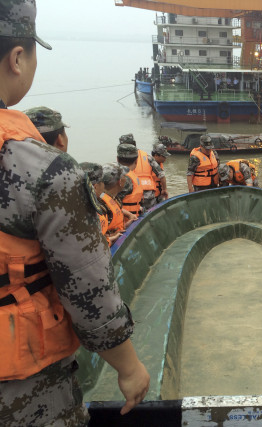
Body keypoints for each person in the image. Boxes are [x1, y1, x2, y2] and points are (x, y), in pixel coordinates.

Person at [0, 2, 149, 425]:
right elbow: (88, 290)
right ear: (17, 58)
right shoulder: (42, 170)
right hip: (22, 392)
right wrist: (128, 367)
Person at [119, 133, 166, 211]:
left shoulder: (122, 159)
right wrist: (165, 189)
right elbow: (162, 175)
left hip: (133, 194)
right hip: (149, 195)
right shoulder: (147, 157)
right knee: (150, 216)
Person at [80, 162, 122, 247]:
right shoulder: (93, 213)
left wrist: (109, 237)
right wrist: (108, 240)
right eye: (102, 182)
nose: (104, 186)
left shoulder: (76, 207)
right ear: (95, 187)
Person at [116, 143, 144, 217]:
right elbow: (112, 204)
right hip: (126, 223)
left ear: (117, 159)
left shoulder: (113, 174)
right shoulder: (128, 178)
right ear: (136, 161)